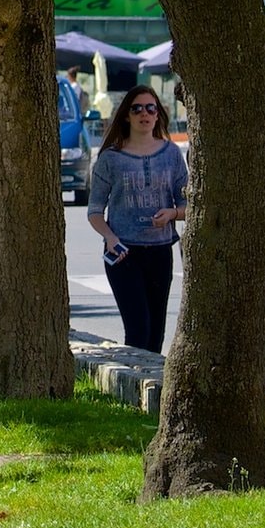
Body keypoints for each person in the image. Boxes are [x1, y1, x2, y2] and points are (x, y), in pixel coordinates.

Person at [87, 85, 189, 353]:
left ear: (158, 115)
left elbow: (189, 203)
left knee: (156, 334)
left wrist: (173, 214)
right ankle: (132, 385)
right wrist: (110, 237)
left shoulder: (171, 154)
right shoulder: (111, 158)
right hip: (124, 254)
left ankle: (151, 390)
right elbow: (95, 210)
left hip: (159, 251)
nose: (144, 113)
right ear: (126, 116)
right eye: (137, 109)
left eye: (150, 108)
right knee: (138, 328)